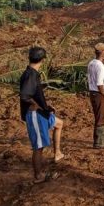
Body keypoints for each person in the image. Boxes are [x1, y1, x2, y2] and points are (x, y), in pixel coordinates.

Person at [19, 46, 64, 183]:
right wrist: (36, 105)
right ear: (43, 60)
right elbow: (25, 95)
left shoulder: (31, 73)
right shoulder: (31, 75)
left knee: (59, 123)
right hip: (35, 114)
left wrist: (46, 106)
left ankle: (57, 153)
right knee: (38, 147)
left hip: (41, 112)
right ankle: (38, 176)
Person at [87, 43, 104, 149]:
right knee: (101, 116)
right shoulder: (100, 66)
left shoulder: (92, 63)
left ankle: (103, 137)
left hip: (92, 93)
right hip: (99, 93)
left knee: (99, 115)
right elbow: (100, 83)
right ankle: (99, 142)